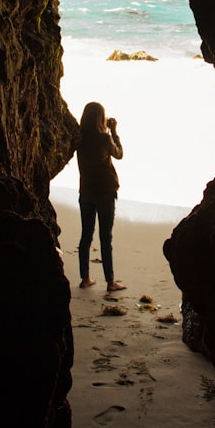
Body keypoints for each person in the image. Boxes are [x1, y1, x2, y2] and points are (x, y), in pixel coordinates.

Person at [75, 101, 126, 291]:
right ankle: (110, 281)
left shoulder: (78, 139)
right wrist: (114, 131)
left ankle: (85, 278)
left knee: (85, 235)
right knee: (106, 237)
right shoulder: (104, 138)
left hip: (86, 192)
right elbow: (119, 154)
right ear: (101, 118)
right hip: (105, 191)